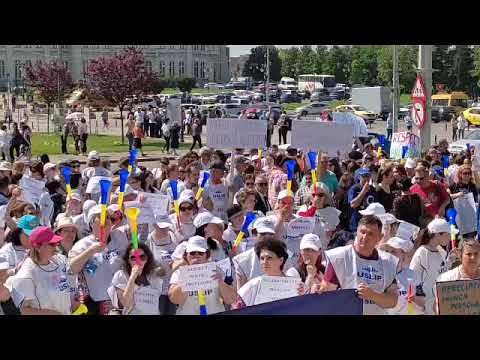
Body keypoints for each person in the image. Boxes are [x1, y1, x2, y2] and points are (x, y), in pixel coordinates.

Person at [320, 215, 399, 315]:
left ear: (380, 237)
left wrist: (372, 296)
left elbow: (392, 301)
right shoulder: (339, 257)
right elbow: (326, 293)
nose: (365, 237)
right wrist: (318, 289)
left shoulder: (388, 262)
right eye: (362, 232)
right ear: (356, 232)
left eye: (370, 234)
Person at [68, 205, 129, 315]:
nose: (106, 221)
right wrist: (91, 251)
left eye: (109, 218)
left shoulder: (120, 236)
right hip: (96, 303)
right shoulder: (82, 245)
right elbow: (72, 268)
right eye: (101, 217)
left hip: (121, 300)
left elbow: (141, 226)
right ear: (91, 223)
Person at [5, 226, 74, 315]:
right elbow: (23, 310)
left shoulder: (59, 260)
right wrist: (52, 313)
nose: (56, 246)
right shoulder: (26, 275)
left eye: (56, 242)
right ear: (37, 247)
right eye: (51, 244)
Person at [168, 236, 237, 315]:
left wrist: (221, 282)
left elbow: (231, 299)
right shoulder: (179, 273)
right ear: (186, 255)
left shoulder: (216, 270)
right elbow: (175, 299)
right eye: (192, 253)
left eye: (200, 253)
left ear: (206, 255)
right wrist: (185, 281)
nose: (196, 256)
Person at [235, 239, 304, 308]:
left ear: (281, 260)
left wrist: (303, 294)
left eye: (269, 258)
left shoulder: (295, 285)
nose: (265, 262)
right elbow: (237, 306)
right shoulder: (254, 284)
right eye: (262, 258)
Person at [409, 218, 454, 315]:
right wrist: (420, 301)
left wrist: (450, 260)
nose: (450, 238)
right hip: (424, 305)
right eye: (448, 234)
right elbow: (412, 278)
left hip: (438, 302)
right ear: (438, 234)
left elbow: (442, 272)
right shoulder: (422, 252)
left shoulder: (441, 251)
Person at [109, 243, 163, 315]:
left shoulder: (153, 277)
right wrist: (132, 277)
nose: (138, 261)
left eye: (142, 257)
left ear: (147, 259)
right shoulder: (121, 275)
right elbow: (126, 303)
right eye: (133, 258)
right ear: (128, 260)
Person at [378, 237, 424, 315]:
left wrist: (414, 299)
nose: (389, 254)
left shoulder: (413, 276)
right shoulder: (379, 274)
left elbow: (422, 302)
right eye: (387, 251)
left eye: (393, 251)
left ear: (403, 254)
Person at [348, 168, 377, 232]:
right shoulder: (354, 188)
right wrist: (363, 192)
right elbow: (353, 204)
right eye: (364, 176)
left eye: (368, 176)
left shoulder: (372, 189)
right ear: (359, 177)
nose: (367, 178)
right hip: (356, 224)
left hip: (368, 224)